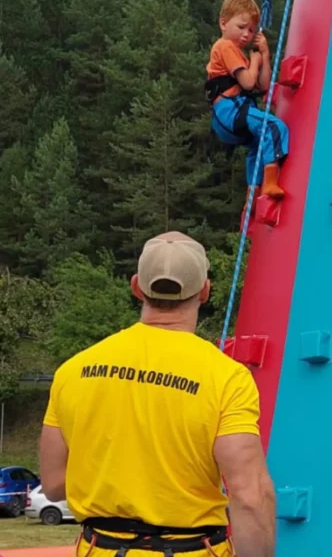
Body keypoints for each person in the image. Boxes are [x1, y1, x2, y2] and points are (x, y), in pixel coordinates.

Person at [38, 231, 277, 557]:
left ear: (137, 287)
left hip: (99, 548)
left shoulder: (73, 370)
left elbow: (53, 484)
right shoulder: (226, 377)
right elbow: (250, 495)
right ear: (205, 291)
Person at [206, 0, 289, 200]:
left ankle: (253, 192)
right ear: (223, 23)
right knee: (274, 127)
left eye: (251, 30)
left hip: (230, 115)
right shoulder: (225, 46)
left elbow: (263, 85)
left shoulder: (238, 53)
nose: (246, 34)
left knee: (256, 146)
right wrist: (254, 61)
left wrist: (265, 56)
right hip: (229, 110)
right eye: (241, 27)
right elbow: (249, 83)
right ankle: (270, 182)